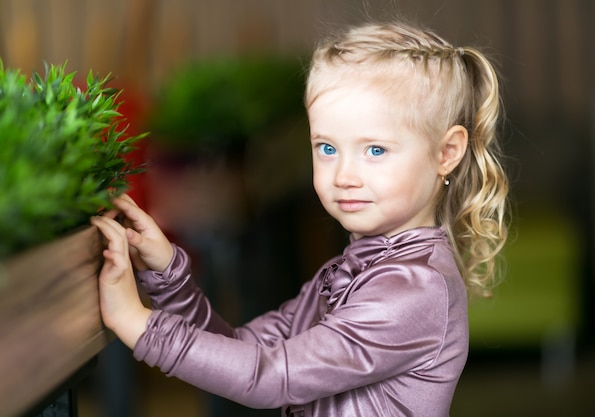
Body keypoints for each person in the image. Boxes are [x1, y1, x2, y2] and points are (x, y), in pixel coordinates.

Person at [91, 21, 509, 417]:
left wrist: (136, 323)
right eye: (327, 148)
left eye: (375, 150)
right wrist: (169, 275)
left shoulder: (415, 290)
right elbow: (242, 350)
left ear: (447, 152)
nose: (344, 176)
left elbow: (269, 377)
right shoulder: (355, 268)